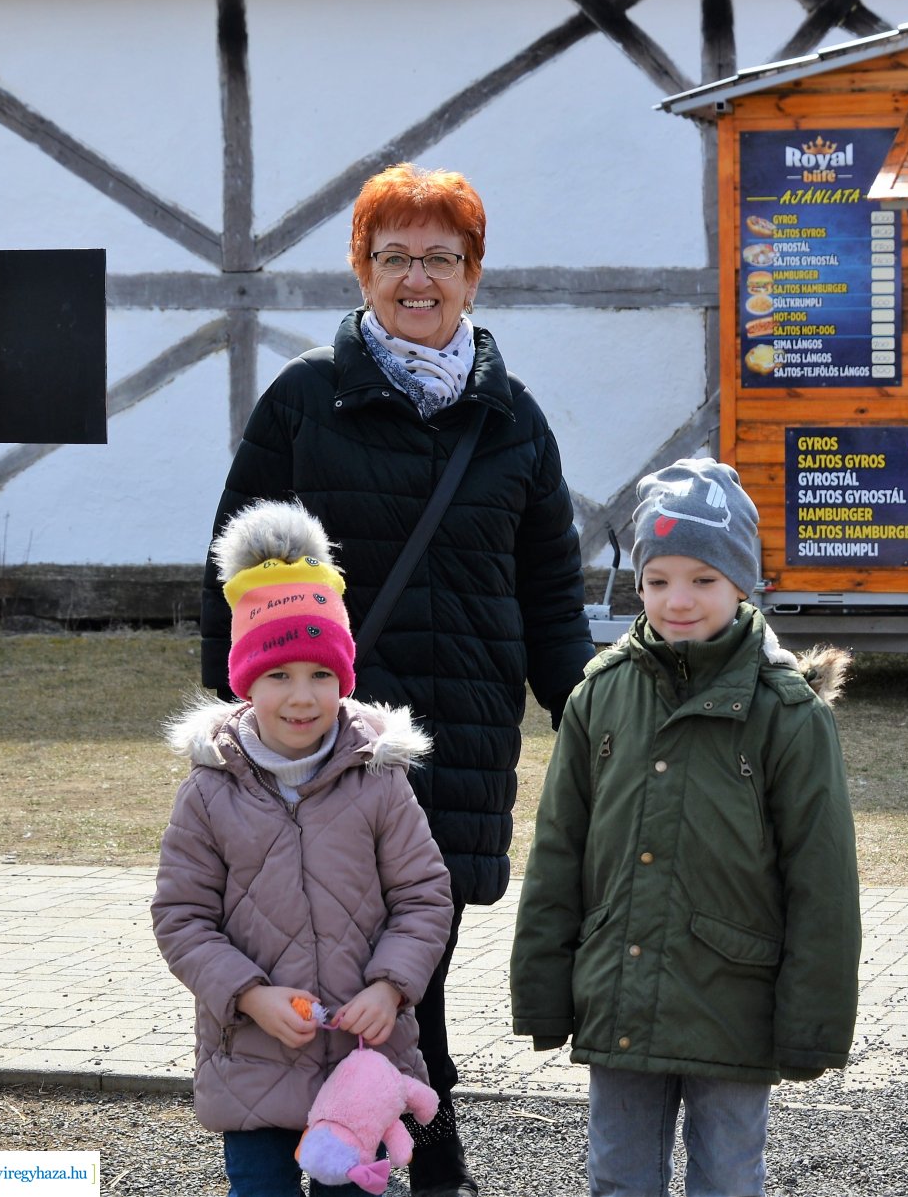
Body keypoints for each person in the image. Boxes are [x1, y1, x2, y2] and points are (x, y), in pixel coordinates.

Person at [200, 162, 595, 1197]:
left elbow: (553, 595)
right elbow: (232, 575)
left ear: (473, 276)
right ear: (361, 269)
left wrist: (597, 716)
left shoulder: (514, 423)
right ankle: (389, 1169)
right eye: (394, 257)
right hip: (310, 758)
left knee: (409, 985)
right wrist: (225, 735)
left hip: (456, 757)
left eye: (440, 259)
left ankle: (393, 1164)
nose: (416, 278)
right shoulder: (303, 404)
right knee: (322, 992)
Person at [510, 459, 860, 1197]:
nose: (678, 600)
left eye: (703, 579)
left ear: (742, 584)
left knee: (729, 1177)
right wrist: (543, 985)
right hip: (619, 993)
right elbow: (557, 853)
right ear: (638, 583)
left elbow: (821, 880)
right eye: (659, 578)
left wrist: (813, 1021)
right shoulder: (598, 698)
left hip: (737, 1002)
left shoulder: (787, 714)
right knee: (617, 1177)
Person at [156, 500, 453, 1197]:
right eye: (278, 675)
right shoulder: (208, 791)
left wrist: (390, 985)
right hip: (255, 1062)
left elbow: (423, 896)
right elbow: (182, 919)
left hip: (361, 1065)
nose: (302, 696)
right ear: (245, 681)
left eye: (321, 675)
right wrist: (249, 997)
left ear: (345, 678)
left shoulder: (378, 779)